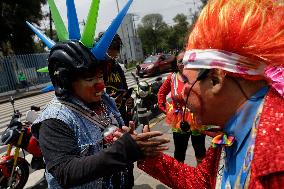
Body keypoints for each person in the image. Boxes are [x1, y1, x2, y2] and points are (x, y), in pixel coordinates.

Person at [138, 0, 284, 188]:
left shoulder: (277, 159)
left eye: (187, 84)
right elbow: (202, 181)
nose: (179, 96)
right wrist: (150, 156)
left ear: (216, 79)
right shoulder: (232, 129)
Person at [28, 0, 169, 188]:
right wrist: (123, 150)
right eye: (90, 79)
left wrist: (136, 145)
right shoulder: (54, 121)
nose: (100, 85)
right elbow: (66, 172)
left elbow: (115, 139)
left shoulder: (105, 101)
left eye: (100, 76)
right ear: (64, 81)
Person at [157, 51, 206, 163]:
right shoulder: (172, 78)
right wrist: (166, 110)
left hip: (197, 120)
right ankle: (179, 176)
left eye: (187, 60)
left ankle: (200, 176)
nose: (184, 63)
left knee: (200, 150)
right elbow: (161, 94)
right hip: (179, 120)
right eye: (180, 61)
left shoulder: (199, 76)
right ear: (177, 64)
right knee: (179, 151)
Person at [97, 32, 132, 126]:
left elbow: (125, 89)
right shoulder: (95, 69)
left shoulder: (117, 67)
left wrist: (127, 99)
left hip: (120, 116)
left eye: (114, 57)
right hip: (104, 121)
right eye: (108, 57)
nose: (111, 61)